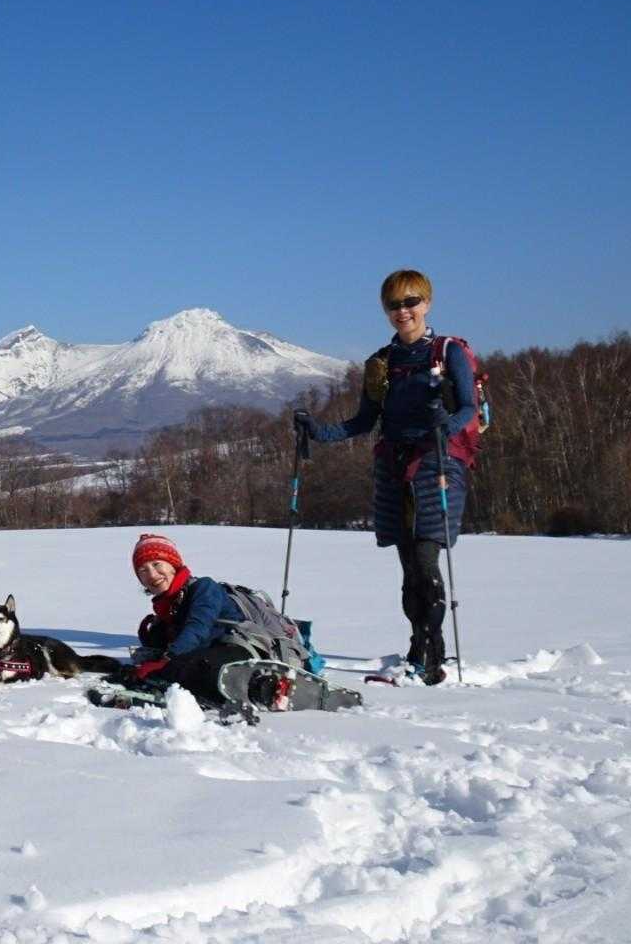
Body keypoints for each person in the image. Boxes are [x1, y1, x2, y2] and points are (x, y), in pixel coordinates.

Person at [293, 269, 477, 685]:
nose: (403, 310)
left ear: (427, 303)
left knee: (426, 559)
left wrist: (445, 427)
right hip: (393, 466)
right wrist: (318, 431)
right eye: (394, 304)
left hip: (437, 463)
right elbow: (363, 421)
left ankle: (431, 652)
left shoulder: (449, 352)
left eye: (411, 301)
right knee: (409, 566)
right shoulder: (382, 362)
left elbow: (468, 407)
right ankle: (418, 644)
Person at [125, 533, 306, 705]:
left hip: (241, 651)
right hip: (208, 654)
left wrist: (166, 661)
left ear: (173, 564)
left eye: (157, 564)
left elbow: (197, 628)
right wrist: (150, 637)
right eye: (143, 570)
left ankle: (265, 690)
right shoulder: (168, 606)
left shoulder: (204, 588)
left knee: (179, 668)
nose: (152, 574)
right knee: (159, 666)